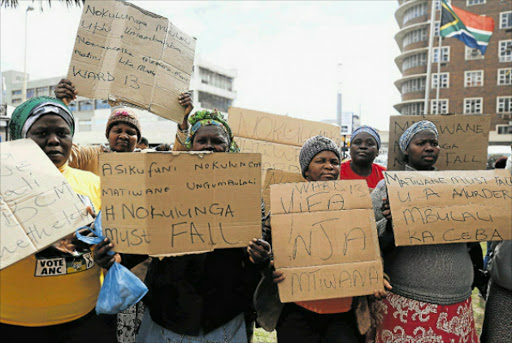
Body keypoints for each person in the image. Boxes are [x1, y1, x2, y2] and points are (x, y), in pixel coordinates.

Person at [93, 110, 270, 343]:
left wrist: (259, 256)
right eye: (202, 141)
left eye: (217, 141)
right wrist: (117, 258)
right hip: (169, 306)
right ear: (191, 145)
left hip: (225, 308)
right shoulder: (166, 184)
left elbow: (260, 238)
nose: (209, 147)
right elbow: (146, 235)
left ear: (228, 147)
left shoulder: (246, 191)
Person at [0, 96, 116, 343]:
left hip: (85, 319)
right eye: (41, 133)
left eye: (62, 132)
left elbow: (111, 245)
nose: (54, 140)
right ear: (21, 138)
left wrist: (106, 256)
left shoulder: (94, 184)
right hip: (12, 321)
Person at [255, 136, 389, 343]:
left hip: (344, 313)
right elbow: (268, 251)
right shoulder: (284, 206)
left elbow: (369, 246)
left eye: (334, 162)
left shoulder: (354, 204)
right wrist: (269, 266)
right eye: (321, 161)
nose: (329, 167)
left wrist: (376, 274)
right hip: (297, 311)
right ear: (306, 170)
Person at [369, 120, 479, 342]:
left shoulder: (457, 187)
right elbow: (369, 242)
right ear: (406, 149)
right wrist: (391, 224)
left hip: (456, 301)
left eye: (434, 143)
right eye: (421, 143)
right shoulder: (387, 187)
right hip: (407, 301)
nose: (429, 147)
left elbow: (470, 239)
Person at [53, 78, 193, 175]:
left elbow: (179, 161)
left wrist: (183, 119)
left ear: (138, 140)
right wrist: (60, 105)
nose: (123, 136)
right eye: (117, 130)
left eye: (131, 132)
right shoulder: (90, 156)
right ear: (107, 135)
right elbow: (60, 153)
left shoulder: (148, 159)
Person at [340, 126, 385, 190]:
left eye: (369, 144)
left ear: (377, 151)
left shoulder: (385, 176)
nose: (363, 146)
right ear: (350, 149)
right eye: (357, 143)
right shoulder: (337, 172)